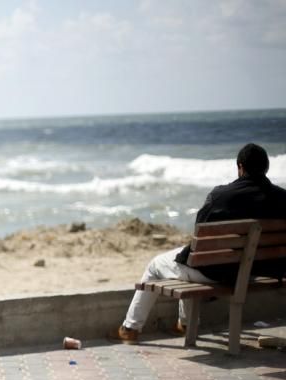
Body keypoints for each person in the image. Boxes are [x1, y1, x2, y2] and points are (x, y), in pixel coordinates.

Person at [117, 143, 286, 343]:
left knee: (156, 264)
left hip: (218, 273)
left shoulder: (221, 196)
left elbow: (201, 237)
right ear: (266, 168)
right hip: (255, 273)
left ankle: (130, 328)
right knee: (187, 260)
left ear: (240, 167)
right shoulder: (282, 198)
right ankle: (185, 324)